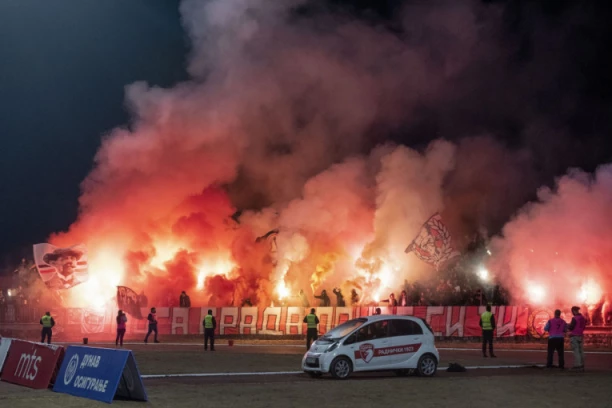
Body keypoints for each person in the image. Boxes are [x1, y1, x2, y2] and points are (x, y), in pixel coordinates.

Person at [567, 306, 586, 371]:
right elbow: (584, 327)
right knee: (581, 351)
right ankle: (582, 365)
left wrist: (568, 325)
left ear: (574, 311)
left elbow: (571, 327)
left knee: (576, 351)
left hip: (574, 336)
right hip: (581, 335)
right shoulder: (583, 318)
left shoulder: (574, 318)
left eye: (572, 311)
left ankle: (578, 365)